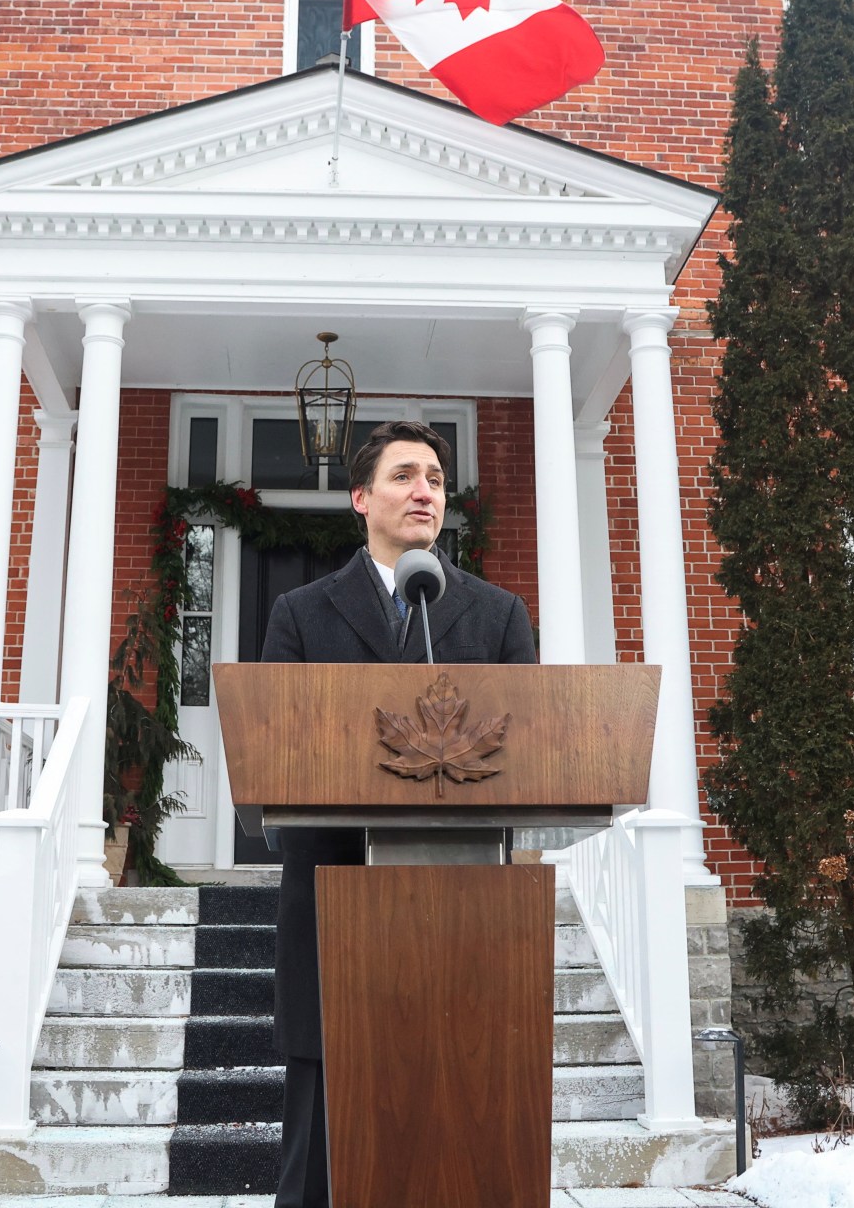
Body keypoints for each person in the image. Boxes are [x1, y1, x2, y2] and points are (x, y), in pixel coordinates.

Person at [260, 420, 536, 1208]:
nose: (425, 491)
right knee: (321, 1149)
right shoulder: (302, 613)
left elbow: (528, 748)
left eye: (437, 480)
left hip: (466, 917)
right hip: (332, 903)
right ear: (361, 498)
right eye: (405, 476)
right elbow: (279, 741)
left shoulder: (497, 615)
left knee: (465, 1131)